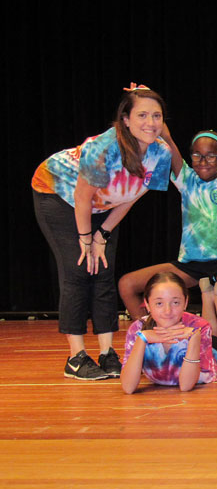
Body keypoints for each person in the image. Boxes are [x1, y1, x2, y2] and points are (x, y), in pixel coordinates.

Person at [118, 82, 217, 376]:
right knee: (127, 284)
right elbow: (166, 136)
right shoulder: (185, 179)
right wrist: (145, 98)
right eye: (198, 156)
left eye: (211, 156)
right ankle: (153, 338)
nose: (203, 161)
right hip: (190, 264)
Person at [32, 84, 173, 380]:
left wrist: (103, 235)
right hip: (58, 194)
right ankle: (76, 358)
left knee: (104, 270)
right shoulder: (105, 148)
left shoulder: (161, 153)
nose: (150, 123)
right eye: (142, 115)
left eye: (156, 116)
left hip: (104, 206)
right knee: (79, 269)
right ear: (126, 119)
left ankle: (108, 353)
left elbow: (131, 196)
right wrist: (86, 239)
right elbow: (82, 198)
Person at [120, 272, 217, 393]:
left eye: (175, 302)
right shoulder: (137, 329)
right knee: (208, 331)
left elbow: (186, 386)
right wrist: (142, 339)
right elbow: (128, 388)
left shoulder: (199, 327)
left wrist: (194, 338)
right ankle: (208, 295)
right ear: (147, 304)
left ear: (185, 302)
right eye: (159, 303)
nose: (168, 311)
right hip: (199, 338)